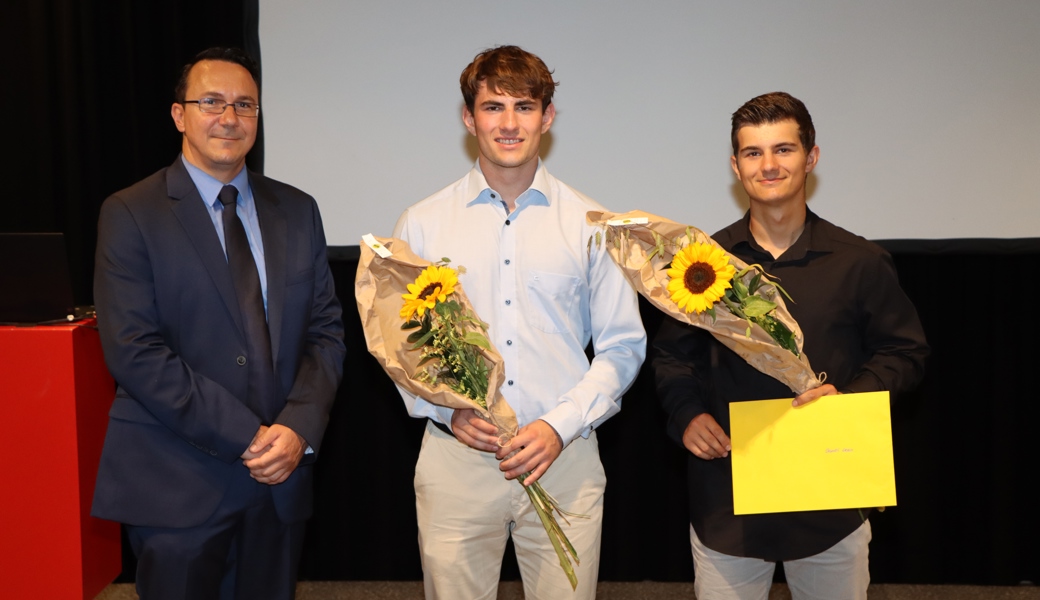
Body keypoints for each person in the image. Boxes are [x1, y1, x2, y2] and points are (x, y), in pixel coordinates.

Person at [653, 91, 929, 600]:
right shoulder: (700, 266)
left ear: (812, 157)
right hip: (726, 496)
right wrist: (687, 415)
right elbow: (671, 358)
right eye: (754, 153)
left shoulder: (858, 261)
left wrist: (849, 398)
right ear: (736, 166)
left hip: (831, 501)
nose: (769, 165)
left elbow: (905, 353)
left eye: (784, 149)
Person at [393, 45, 646, 600]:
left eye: (524, 107)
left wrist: (558, 426)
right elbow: (399, 346)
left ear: (547, 118)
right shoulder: (422, 222)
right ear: (469, 117)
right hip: (456, 460)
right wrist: (444, 408)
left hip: (565, 460)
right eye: (493, 107)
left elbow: (622, 347)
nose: (509, 123)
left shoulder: (590, 223)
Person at [91, 47, 345, 599]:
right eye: (212, 102)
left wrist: (297, 428)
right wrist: (247, 436)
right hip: (178, 483)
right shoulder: (131, 212)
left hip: (280, 479)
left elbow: (325, 333)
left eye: (245, 105)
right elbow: (135, 349)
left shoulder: (297, 210)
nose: (229, 117)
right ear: (180, 115)